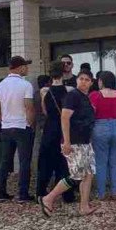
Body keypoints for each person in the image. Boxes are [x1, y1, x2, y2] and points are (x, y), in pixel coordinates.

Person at [40, 69, 97, 217]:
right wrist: (66, 141)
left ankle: (84, 206)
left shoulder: (86, 98)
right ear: (77, 80)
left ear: (91, 83)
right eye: (81, 78)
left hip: (85, 142)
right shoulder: (73, 96)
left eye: (87, 79)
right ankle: (49, 198)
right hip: (74, 142)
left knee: (88, 173)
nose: (83, 81)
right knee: (77, 174)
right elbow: (64, 118)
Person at [0, 56, 35, 203]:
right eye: (26, 66)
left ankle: (0, 192)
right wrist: (30, 123)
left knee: (4, 160)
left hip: (7, 127)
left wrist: (2, 120)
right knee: (24, 161)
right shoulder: (25, 85)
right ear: (21, 67)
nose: (27, 69)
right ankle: (22, 194)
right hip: (22, 126)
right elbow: (29, 106)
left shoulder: (1, 85)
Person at [36, 62, 75, 203]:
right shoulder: (70, 90)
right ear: (63, 72)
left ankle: (40, 192)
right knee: (65, 162)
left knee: (45, 161)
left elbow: (45, 110)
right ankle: (67, 195)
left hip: (49, 127)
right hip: (64, 128)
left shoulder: (44, 91)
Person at [89, 70, 116, 199]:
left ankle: (101, 193)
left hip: (100, 127)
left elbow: (91, 113)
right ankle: (114, 192)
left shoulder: (95, 95)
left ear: (101, 81)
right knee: (114, 161)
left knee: (101, 162)